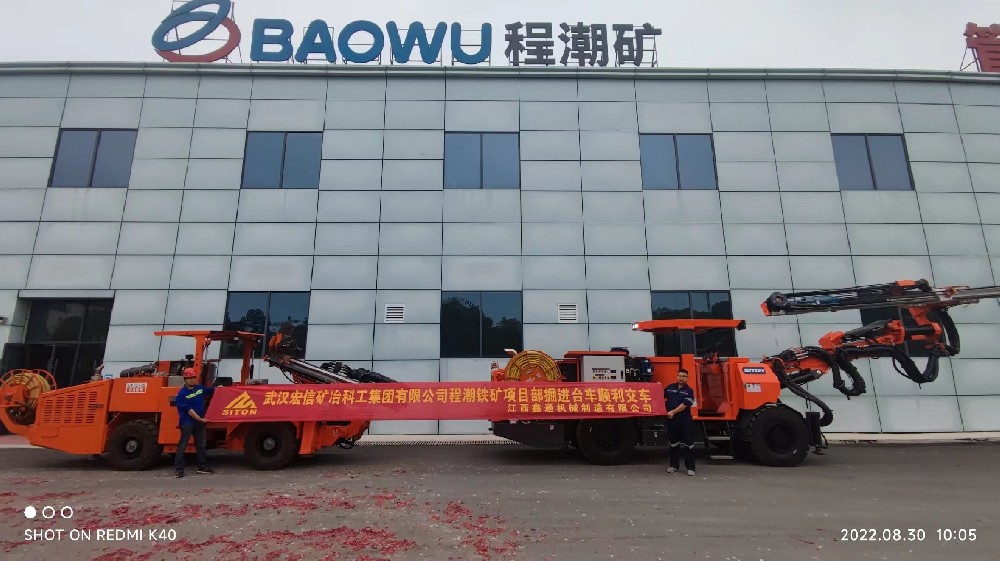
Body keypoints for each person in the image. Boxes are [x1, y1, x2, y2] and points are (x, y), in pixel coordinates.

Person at [174, 367, 215, 478]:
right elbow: (189, 411)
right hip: (187, 422)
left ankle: (202, 467)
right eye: (189, 378)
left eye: (193, 377)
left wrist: (218, 388)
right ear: (185, 379)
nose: (192, 380)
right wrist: (200, 419)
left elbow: (209, 391)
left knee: (201, 445)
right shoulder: (181, 394)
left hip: (199, 423)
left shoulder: (199, 388)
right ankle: (179, 469)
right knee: (183, 445)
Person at [664, 369, 697, 476]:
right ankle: (674, 466)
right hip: (671, 420)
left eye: (684, 376)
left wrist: (672, 412)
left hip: (684, 419)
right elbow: (660, 397)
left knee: (688, 443)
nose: (681, 378)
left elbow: (684, 405)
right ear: (677, 376)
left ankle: (690, 468)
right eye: (679, 375)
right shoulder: (669, 388)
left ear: (687, 378)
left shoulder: (689, 391)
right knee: (674, 443)